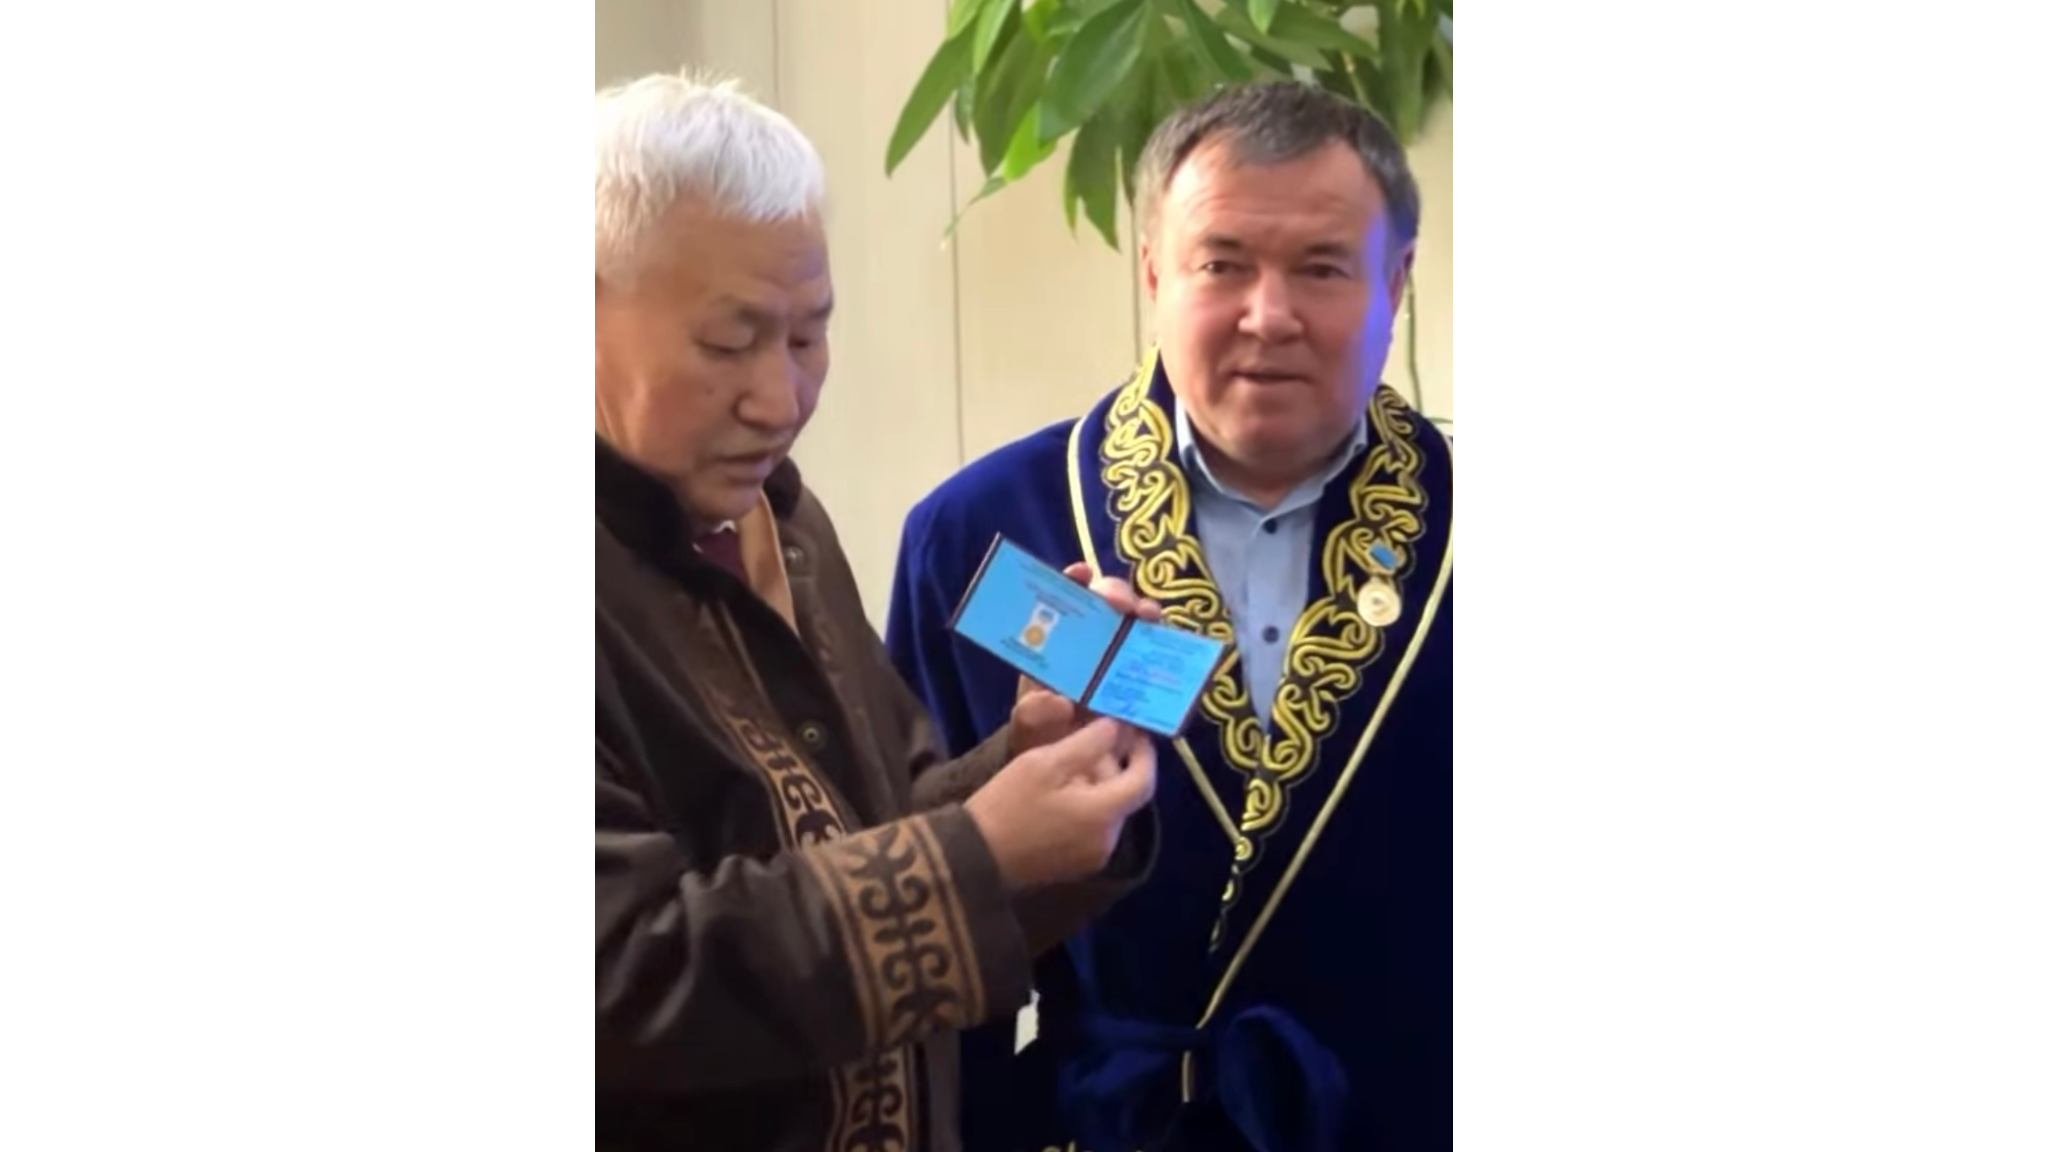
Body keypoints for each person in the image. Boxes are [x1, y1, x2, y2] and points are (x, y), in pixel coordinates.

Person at [595, 72, 1167, 1152]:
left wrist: (1028, 762)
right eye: (728, 343)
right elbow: (621, 980)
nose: (781, 399)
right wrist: (978, 855)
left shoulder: (783, 520)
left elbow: (883, 820)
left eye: (807, 337)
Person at [886, 81, 1452, 1152]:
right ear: (1153, 269)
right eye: (1221, 264)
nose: (1268, 315)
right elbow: (929, 924)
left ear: (1397, 280)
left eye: (1321, 268)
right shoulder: (980, 534)